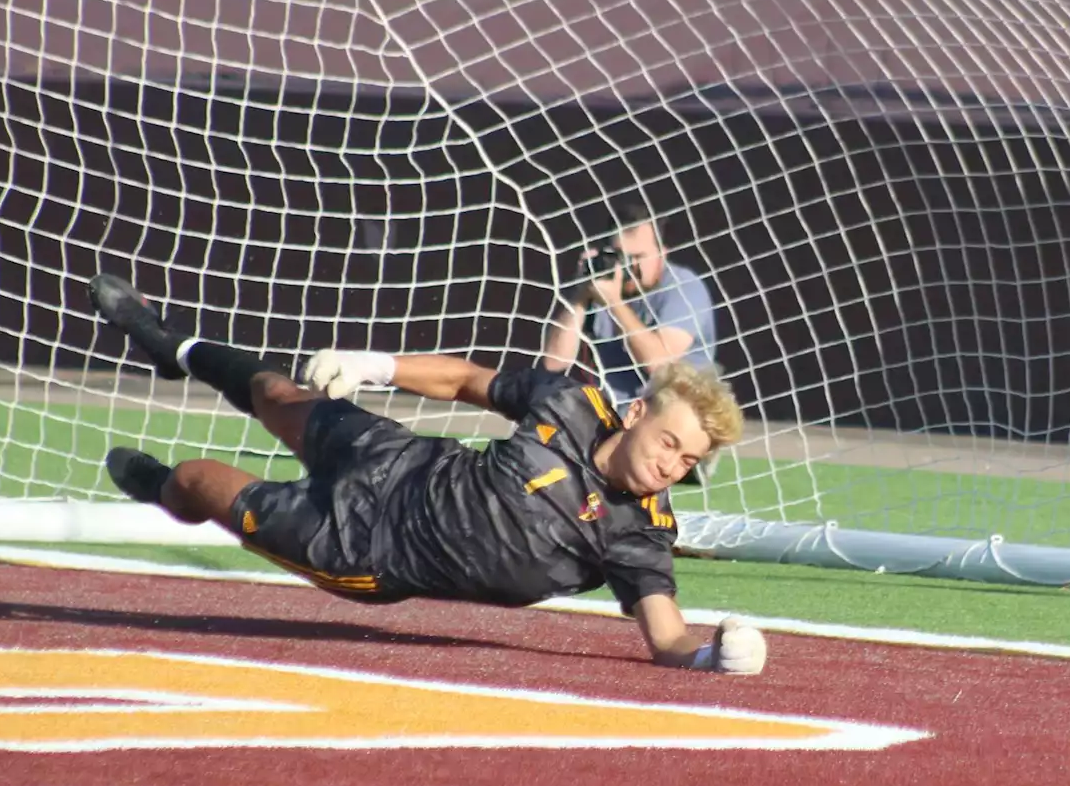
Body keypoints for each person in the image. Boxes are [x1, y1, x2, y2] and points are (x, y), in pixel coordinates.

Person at [88, 272, 765, 674]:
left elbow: (666, 633)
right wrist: (374, 365)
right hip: (396, 459)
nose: (670, 464)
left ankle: (161, 488)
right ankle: (168, 342)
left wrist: (708, 657)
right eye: (670, 440)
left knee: (201, 480)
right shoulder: (574, 401)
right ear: (636, 410)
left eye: (686, 460)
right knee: (278, 393)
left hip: (366, 549)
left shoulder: (639, 531)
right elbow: (469, 380)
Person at [542, 203, 717, 407]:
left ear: (663, 253)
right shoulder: (601, 284)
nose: (628, 265)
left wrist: (614, 303)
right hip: (611, 413)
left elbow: (660, 366)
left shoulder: (685, 287)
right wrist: (580, 296)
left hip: (672, 412)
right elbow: (554, 363)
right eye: (620, 255)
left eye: (638, 257)